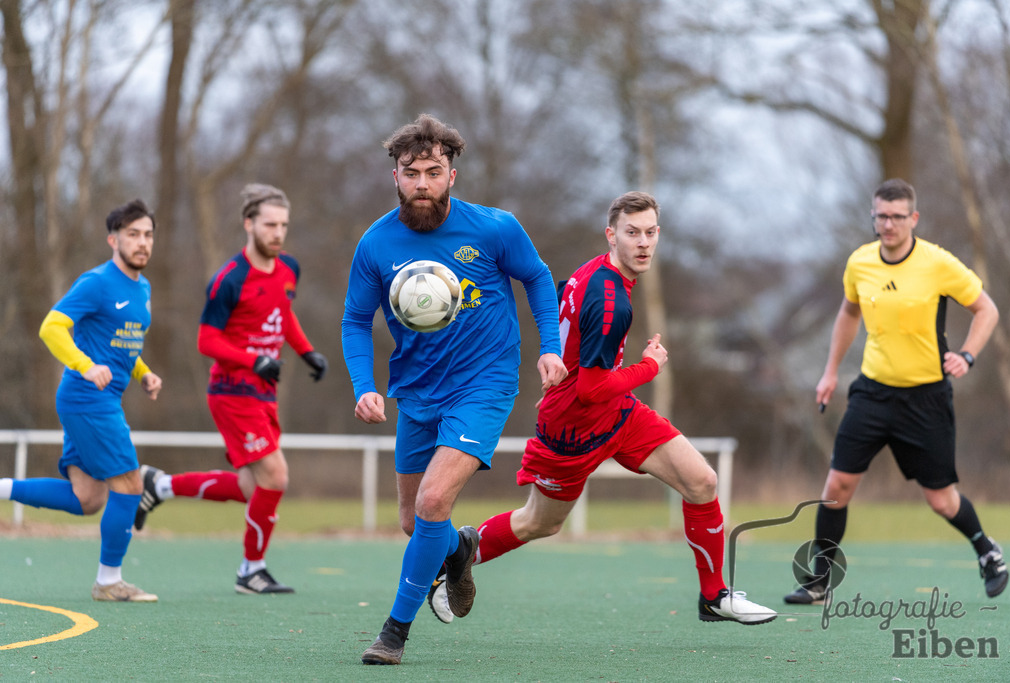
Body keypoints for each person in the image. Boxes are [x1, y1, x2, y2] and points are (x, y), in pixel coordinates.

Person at [434, 191, 776, 629]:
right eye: (632, 233)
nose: (643, 242)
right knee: (539, 522)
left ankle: (714, 596)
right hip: (573, 426)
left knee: (702, 481)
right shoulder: (612, 300)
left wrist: (558, 361)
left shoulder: (592, 272)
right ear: (611, 235)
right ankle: (461, 552)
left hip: (618, 413)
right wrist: (648, 366)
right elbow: (594, 389)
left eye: (651, 232)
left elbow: (560, 304)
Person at [342, 114, 567, 665]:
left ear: (452, 174)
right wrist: (364, 386)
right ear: (394, 176)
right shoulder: (375, 243)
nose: (422, 183)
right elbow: (354, 319)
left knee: (434, 499)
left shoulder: (494, 229)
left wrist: (550, 345)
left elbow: (538, 278)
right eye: (411, 172)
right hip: (416, 392)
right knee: (413, 521)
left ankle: (394, 633)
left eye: (433, 172)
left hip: (484, 383)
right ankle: (460, 548)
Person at [784, 178, 1007, 605]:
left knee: (941, 501)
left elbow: (987, 309)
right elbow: (849, 312)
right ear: (873, 216)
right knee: (837, 486)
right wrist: (830, 372)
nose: (888, 224)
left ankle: (987, 552)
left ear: (913, 218)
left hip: (925, 398)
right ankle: (820, 581)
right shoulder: (860, 263)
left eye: (897, 217)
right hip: (872, 393)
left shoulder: (937, 263)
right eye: (881, 216)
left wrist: (968, 355)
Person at [134, 183, 328, 595]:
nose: (278, 233)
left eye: (284, 225)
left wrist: (307, 351)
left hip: (264, 393)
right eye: (270, 224)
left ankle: (159, 486)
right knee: (275, 476)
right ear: (249, 224)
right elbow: (207, 342)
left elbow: (283, 314)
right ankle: (250, 570)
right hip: (232, 391)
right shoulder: (229, 279)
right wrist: (253, 359)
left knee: (249, 488)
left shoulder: (289, 268)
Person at [0, 200, 162, 601]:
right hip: (88, 398)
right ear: (113, 240)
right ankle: (109, 582)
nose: (142, 243)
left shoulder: (143, 288)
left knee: (88, 499)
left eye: (147, 235)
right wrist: (85, 366)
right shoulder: (96, 282)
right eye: (132, 234)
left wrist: (144, 373)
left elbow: (123, 343)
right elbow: (51, 327)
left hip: (97, 400)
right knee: (129, 483)